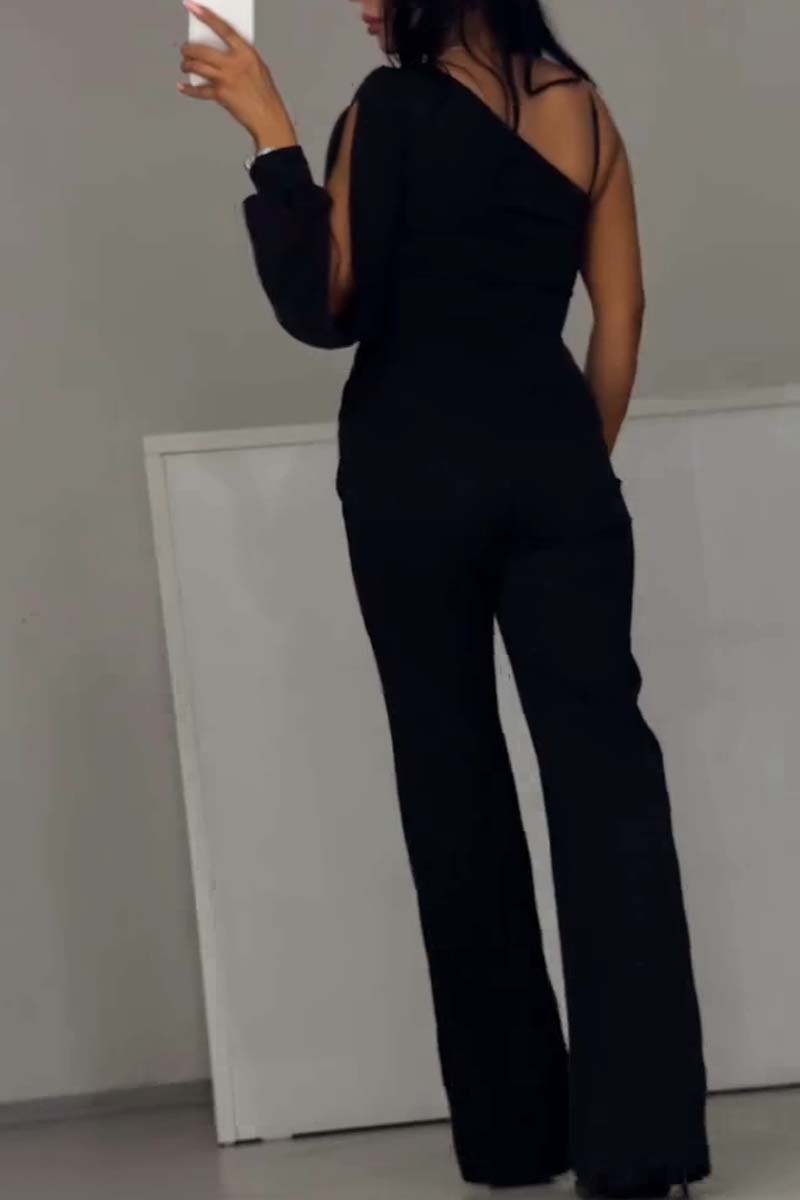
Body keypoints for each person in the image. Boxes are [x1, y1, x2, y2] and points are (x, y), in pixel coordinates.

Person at [178, 1, 712, 1196]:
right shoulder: (584, 110)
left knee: (451, 784)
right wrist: (566, 464)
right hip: (556, 476)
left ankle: (516, 1136)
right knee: (609, 793)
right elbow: (619, 319)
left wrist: (269, 135)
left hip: (408, 482)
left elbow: (328, 307)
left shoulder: (389, 108)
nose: (365, 4)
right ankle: (643, 1152)